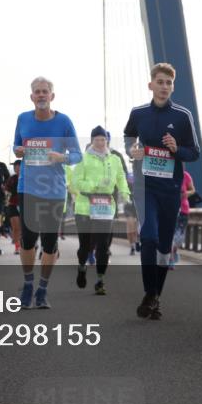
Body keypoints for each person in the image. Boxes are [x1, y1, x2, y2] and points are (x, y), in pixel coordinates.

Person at [124, 63, 201, 321]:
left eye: (168, 83)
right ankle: (150, 293)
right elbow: (129, 137)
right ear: (151, 85)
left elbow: (194, 153)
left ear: (173, 87)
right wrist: (132, 150)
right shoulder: (138, 113)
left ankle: (155, 296)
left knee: (165, 246)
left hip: (170, 190)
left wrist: (177, 149)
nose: (164, 87)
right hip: (146, 187)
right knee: (149, 237)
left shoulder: (182, 116)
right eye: (160, 82)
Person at [13, 76, 81, 309]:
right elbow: (16, 145)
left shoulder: (64, 122)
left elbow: (77, 155)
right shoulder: (22, 118)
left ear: (52, 96)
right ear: (31, 96)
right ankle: (28, 285)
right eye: (37, 91)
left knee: (50, 244)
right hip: (28, 188)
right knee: (28, 240)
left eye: (45, 91)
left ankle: (42, 289)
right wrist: (18, 150)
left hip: (54, 190)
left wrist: (61, 157)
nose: (41, 95)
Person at [72, 126, 130, 295]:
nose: (100, 142)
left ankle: (100, 280)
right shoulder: (83, 159)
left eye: (103, 139)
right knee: (85, 245)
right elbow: (76, 182)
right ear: (92, 141)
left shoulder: (115, 159)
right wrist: (95, 186)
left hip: (105, 206)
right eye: (97, 139)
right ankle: (82, 267)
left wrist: (125, 193)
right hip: (84, 207)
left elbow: (121, 178)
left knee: (103, 246)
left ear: (107, 141)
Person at [170, 169, 196, 269]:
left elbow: (192, 190)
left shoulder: (185, 175)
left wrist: (186, 193)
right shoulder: (166, 173)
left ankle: (174, 251)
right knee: (170, 236)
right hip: (170, 209)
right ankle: (170, 259)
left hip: (183, 210)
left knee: (179, 238)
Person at [4, 159, 23, 254]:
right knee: (16, 227)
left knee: (25, 227)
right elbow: (7, 192)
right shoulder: (12, 179)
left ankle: (27, 243)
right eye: (16, 168)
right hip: (13, 205)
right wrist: (6, 203)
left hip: (26, 205)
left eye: (20, 168)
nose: (18, 169)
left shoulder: (28, 178)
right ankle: (17, 247)